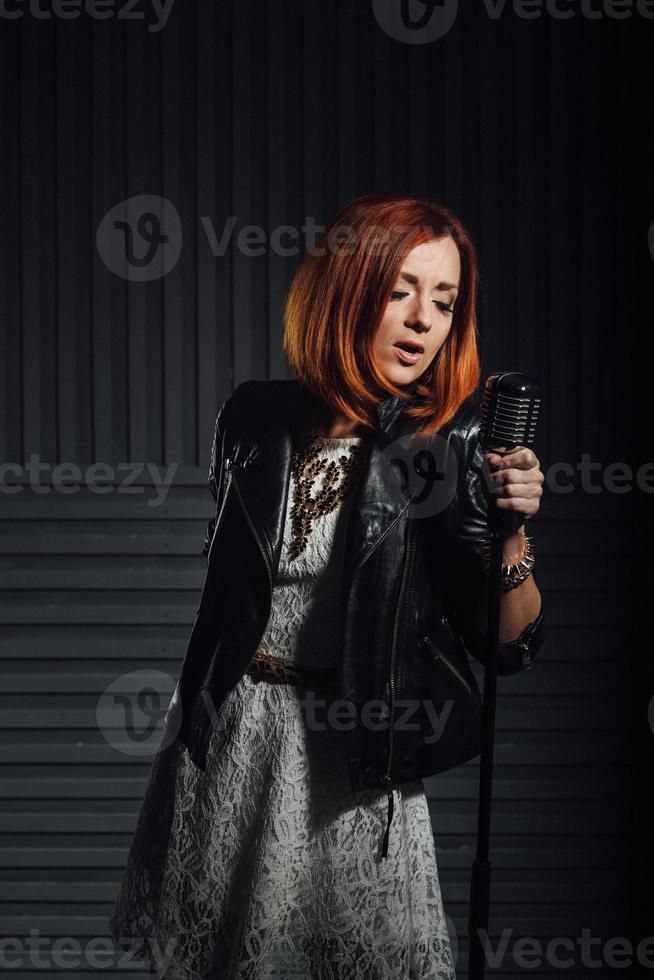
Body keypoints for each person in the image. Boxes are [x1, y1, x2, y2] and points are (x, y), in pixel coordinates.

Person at [109, 192, 545, 979]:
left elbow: (508, 647)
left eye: (444, 302)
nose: (422, 319)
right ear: (346, 289)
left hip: (351, 759)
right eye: (402, 289)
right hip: (231, 744)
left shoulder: (446, 450)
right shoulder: (252, 419)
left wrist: (511, 530)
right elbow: (229, 603)